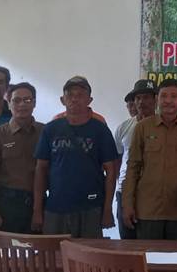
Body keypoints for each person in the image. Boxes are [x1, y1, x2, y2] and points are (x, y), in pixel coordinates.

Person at [31, 76, 119, 239]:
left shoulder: (100, 130)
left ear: (89, 100)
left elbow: (111, 171)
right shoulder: (50, 129)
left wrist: (107, 210)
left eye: (80, 95)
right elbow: (41, 169)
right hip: (56, 206)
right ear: (62, 100)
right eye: (70, 95)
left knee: (89, 253)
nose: (75, 99)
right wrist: (37, 210)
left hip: (90, 207)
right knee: (54, 252)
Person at [122, 78, 177, 240]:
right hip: (148, 211)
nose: (168, 101)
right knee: (148, 255)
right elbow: (133, 168)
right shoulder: (143, 127)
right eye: (164, 96)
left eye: (174, 96)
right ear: (157, 99)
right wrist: (127, 204)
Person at [0, 82, 44, 234]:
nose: (22, 105)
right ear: (9, 103)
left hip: (39, 203)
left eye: (27, 100)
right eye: (16, 100)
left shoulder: (45, 132)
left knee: (38, 246)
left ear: (34, 103)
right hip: (7, 205)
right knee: (7, 247)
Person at [113, 79, 157, 239]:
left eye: (146, 97)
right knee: (127, 239)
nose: (141, 102)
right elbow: (117, 160)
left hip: (152, 191)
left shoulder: (163, 127)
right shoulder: (123, 127)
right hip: (126, 190)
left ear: (155, 100)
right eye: (138, 98)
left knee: (150, 240)